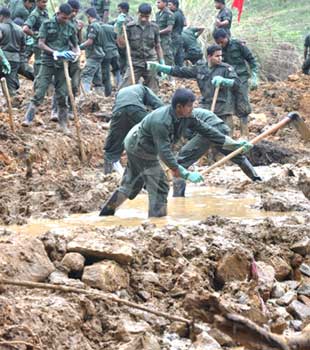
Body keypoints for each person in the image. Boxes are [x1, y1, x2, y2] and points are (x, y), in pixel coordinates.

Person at [99, 88, 253, 218]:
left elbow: (207, 130)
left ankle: (106, 215)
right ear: (179, 106)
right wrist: (183, 173)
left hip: (137, 143)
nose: (192, 109)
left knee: (131, 184)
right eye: (190, 106)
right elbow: (164, 152)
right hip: (140, 148)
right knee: (160, 186)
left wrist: (232, 143)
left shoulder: (186, 116)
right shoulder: (161, 121)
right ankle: (156, 224)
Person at [147, 44, 240, 133]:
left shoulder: (226, 68)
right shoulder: (200, 68)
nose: (220, 58)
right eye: (217, 56)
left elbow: (237, 83)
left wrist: (225, 81)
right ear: (209, 56)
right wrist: (161, 68)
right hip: (206, 105)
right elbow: (181, 71)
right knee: (200, 131)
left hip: (223, 108)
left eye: (221, 56)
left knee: (225, 132)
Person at [173, 107, 261, 196]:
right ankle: (257, 180)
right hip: (221, 127)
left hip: (210, 129)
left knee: (180, 162)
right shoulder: (182, 116)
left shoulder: (179, 119)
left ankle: (178, 197)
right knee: (237, 156)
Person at [21, 3, 79, 132]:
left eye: (67, 18)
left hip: (62, 64)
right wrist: (54, 52)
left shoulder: (70, 27)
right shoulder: (47, 24)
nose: (65, 20)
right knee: (40, 91)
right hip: (48, 62)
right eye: (63, 17)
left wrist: (74, 54)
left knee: (62, 94)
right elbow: (41, 43)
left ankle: (62, 124)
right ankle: (28, 119)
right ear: (58, 14)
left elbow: (75, 45)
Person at [103, 84, 164, 174]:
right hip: (136, 111)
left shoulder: (121, 92)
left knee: (113, 145)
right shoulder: (144, 89)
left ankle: (108, 174)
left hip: (119, 112)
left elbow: (116, 109)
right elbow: (159, 105)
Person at [213, 29, 258, 137]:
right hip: (227, 79)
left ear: (226, 37)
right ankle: (229, 135)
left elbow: (252, 60)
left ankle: (244, 134)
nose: (220, 44)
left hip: (241, 77)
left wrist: (255, 76)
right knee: (227, 105)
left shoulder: (238, 45)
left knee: (242, 104)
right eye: (218, 43)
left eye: (222, 42)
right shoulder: (217, 50)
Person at [117, 3, 164, 92]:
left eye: (146, 16)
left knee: (153, 90)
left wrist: (162, 62)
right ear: (138, 13)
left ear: (149, 15)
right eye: (141, 16)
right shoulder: (130, 27)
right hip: (135, 63)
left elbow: (158, 46)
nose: (143, 19)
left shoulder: (154, 27)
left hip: (151, 62)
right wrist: (119, 31)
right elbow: (122, 45)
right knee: (124, 90)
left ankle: (150, 105)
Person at [0, 7, 26, 97]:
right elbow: (23, 47)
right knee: (10, 83)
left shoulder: (1, 27)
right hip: (15, 58)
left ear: (1, 16)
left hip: (2, 57)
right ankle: (13, 104)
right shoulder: (20, 29)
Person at [80, 7, 105, 93]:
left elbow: (90, 41)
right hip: (98, 54)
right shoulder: (99, 25)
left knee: (86, 75)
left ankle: (85, 96)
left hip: (94, 54)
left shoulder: (93, 26)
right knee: (97, 78)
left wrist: (79, 47)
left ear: (88, 16)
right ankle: (100, 95)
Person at [23, 0, 49, 76]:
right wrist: (36, 36)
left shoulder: (45, 12)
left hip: (46, 44)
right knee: (39, 64)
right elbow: (25, 28)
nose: (45, 4)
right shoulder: (35, 14)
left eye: (46, 2)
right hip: (39, 45)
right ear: (37, 2)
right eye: (43, 2)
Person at [98, 22, 121, 95]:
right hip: (115, 52)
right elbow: (117, 38)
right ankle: (120, 89)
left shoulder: (99, 29)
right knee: (117, 70)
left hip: (106, 54)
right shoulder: (112, 28)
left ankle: (108, 92)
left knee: (106, 74)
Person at [116, 2, 134, 76]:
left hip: (126, 42)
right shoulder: (120, 18)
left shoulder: (127, 19)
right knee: (121, 60)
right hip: (120, 42)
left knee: (127, 60)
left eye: (119, 9)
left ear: (123, 9)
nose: (118, 10)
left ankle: (126, 75)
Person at [155, 0, 175, 66]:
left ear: (165, 3)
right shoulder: (158, 14)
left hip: (165, 40)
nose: (157, 4)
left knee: (167, 57)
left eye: (159, 2)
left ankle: (169, 74)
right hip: (158, 39)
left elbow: (169, 29)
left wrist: (157, 32)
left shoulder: (169, 14)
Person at [168, 0, 185, 66]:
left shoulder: (174, 15)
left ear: (175, 5)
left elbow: (170, 27)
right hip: (179, 36)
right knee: (179, 57)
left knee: (171, 56)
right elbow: (185, 24)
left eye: (170, 5)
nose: (168, 7)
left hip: (174, 37)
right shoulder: (180, 13)